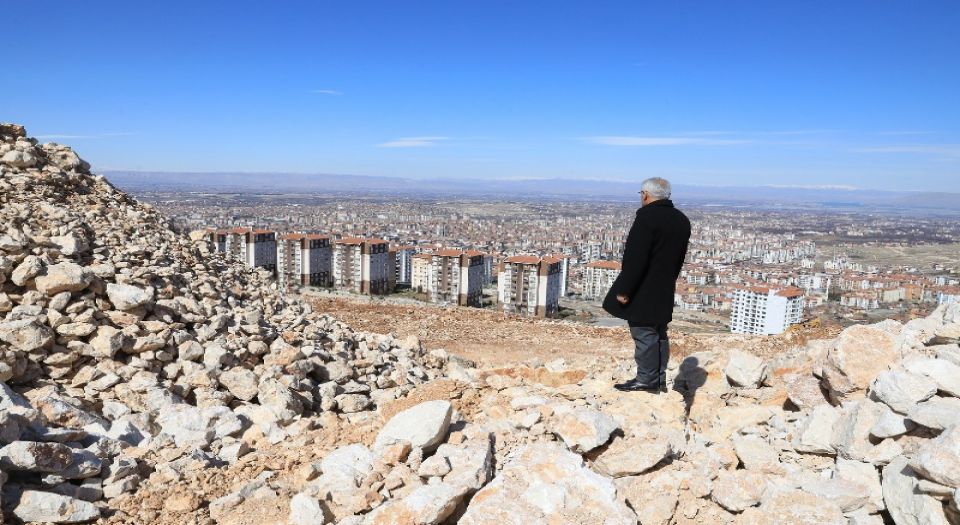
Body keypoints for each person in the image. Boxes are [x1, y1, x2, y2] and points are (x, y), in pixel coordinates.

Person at [603, 177, 691, 393]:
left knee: (643, 333)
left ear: (645, 195)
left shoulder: (647, 218)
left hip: (643, 288)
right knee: (659, 333)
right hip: (664, 286)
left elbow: (636, 258)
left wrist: (625, 290)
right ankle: (658, 379)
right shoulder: (681, 220)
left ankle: (646, 380)